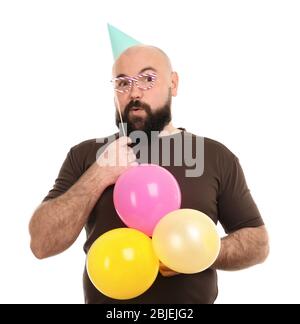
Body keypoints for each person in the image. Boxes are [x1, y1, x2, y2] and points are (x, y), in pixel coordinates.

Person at [29, 45, 269, 304]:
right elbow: (42, 244)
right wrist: (98, 175)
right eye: (122, 82)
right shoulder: (87, 155)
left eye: (148, 79)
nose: (134, 92)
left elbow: (258, 243)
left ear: (173, 84)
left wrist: (200, 250)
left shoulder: (214, 155)